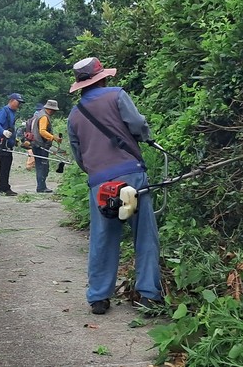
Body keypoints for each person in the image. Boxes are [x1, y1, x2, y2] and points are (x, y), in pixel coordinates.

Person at [67, 56, 162, 315]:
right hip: (131, 176)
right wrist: (144, 138)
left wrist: (97, 172)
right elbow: (138, 125)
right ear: (104, 77)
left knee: (102, 237)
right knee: (144, 234)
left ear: (80, 84)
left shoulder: (75, 114)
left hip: (100, 183)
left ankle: (98, 297)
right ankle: (148, 295)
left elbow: (78, 154)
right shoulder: (117, 95)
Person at [0, 92, 25, 196]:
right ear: (11, 100)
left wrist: (14, 139)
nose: (19, 105)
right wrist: (3, 132)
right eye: (18, 102)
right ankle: (4, 188)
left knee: (6, 164)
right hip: (2, 142)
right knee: (4, 165)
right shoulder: (4, 111)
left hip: (8, 142)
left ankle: (2, 187)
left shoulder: (12, 112)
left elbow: (11, 127)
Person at [31, 99, 62, 193]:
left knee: (40, 165)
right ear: (51, 109)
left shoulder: (39, 114)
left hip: (36, 144)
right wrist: (53, 137)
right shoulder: (44, 117)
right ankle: (41, 187)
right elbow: (42, 131)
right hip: (41, 145)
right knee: (43, 166)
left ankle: (41, 186)